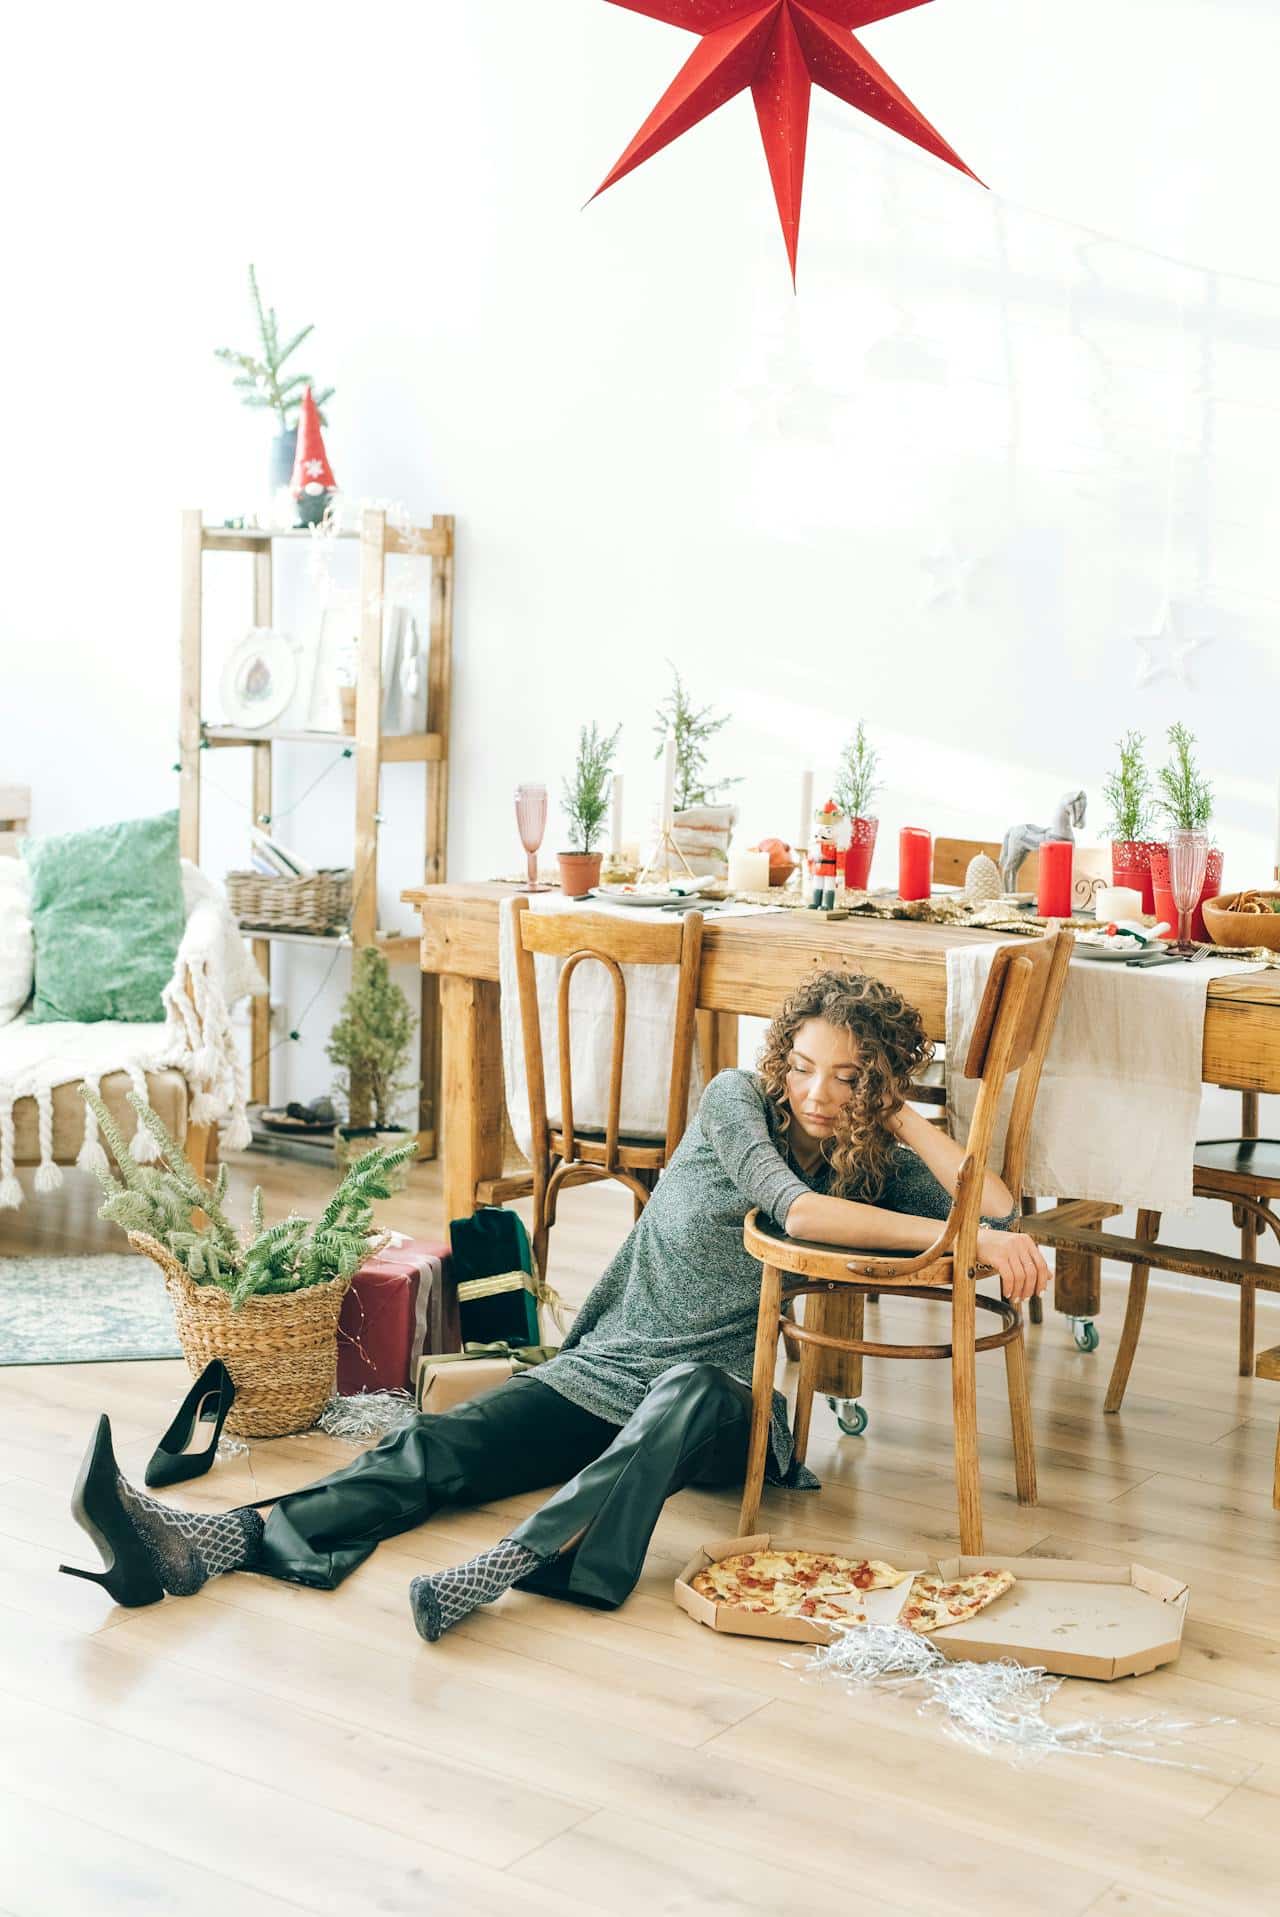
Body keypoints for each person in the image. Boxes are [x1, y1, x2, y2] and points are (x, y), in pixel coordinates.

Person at [62, 970, 1050, 1642]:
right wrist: (959, 1240)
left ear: (877, 1084)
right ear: (777, 1056)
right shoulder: (732, 1105)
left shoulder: (873, 1161)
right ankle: (200, 1544)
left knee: (696, 1385)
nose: (815, 1094)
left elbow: (995, 1203)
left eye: (846, 1079)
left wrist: (910, 1123)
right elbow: (794, 1207)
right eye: (800, 1065)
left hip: (716, 1416)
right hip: (597, 1375)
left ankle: (509, 1564)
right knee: (434, 1451)